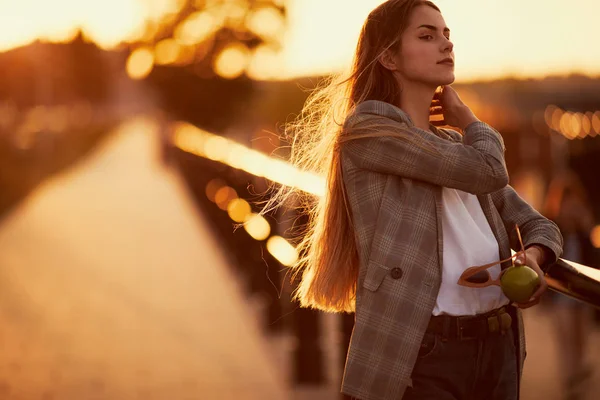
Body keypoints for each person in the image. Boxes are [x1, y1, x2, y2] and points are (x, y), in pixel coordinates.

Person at [264, 1, 563, 399]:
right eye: (427, 35)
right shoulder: (369, 133)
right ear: (388, 56)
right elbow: (491, 170)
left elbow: (540, 225)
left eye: (447, 35)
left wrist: (535, 258)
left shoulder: (453, 149)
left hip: (499, 348)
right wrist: (471, 120)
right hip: (424, 356)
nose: (446, 45)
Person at [543, 170, 596, 400]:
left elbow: (594, 257)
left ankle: (577, 373)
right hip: (562, 294)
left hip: (581, 291)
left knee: (581, 337)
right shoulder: (552, 226)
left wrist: (584, 227)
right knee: (566, 338)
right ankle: (570, 380)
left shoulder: (584, 229)